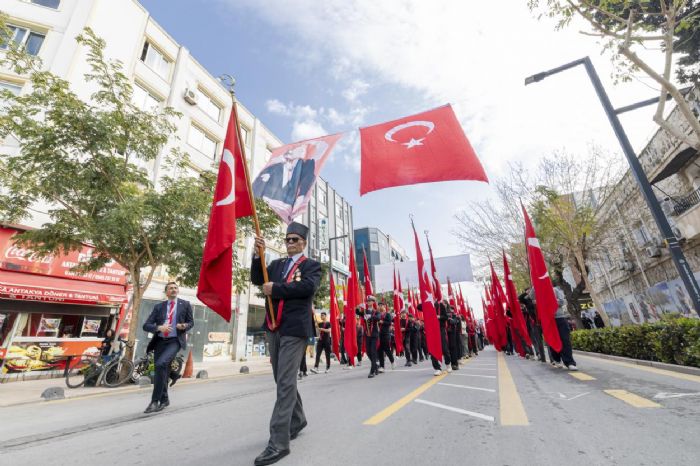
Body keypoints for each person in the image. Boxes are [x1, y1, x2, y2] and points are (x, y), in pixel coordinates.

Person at [251, 222, 322, 466]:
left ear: (304, 242)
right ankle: (298, 419)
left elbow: (308, 287)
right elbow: (257, 278)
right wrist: (257, 255)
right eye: (287, 239)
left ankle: (279, 443)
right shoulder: (277, 265)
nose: (290, 243)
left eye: (295, 239)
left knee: (284, 382)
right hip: (273, 327)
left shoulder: (311, 265)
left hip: (294, 329)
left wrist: (277, 288)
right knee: (281, 379)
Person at [142, 282, 194, 414]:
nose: (174, 290)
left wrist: (184, 326)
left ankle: (154, 401)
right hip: (160, 341)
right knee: (161, 369)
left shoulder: (185, 304)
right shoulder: (159, 307)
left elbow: (191, 322)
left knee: (160, 364)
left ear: (178, 291)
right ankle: (165, 398)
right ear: (166, 292)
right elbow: (146, 325)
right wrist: (159, 327)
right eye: (171, 288)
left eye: (176, 288)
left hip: (175, 341)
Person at [551, 284, 578, 371]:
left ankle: (570, 362)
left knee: (565, 339)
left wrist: (551, 301)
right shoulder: (538, 291)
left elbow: (562, 301)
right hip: (548, 320)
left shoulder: (555, 290)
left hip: (560, 317)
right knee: (552, 340)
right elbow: (530, 297)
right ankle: (557, 359)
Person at [363, 298, 381, 378]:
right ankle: (375, 365)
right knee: (368, 352)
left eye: (370, 301)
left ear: (373, 302)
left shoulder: (376, 311)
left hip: (374, 334)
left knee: (373, 352)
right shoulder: (365, 311)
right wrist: (357, 307)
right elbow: (357, 312)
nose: (368, 302)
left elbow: (378, 318)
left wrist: (371, 316)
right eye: (367, 301)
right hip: (367, 334)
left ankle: (372, 371)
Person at [377, 302, 395, 372]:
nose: (380, 307)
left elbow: (390, 323)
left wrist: (383, 322)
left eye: (381, 305)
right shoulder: (377, 314)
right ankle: (382, 366)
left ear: (384, 306)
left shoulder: (387, 314)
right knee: (380, 350)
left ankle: (392, 361)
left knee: (387, 349)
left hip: (386, 334)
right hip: (379, 335)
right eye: (379, 305)